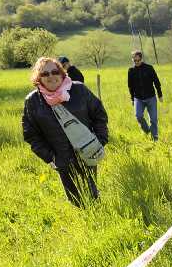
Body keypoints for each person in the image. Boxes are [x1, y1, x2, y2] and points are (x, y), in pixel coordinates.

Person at [21, 56, 109, 206]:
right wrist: (51, 157)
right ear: (38, 78)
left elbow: (99, 114)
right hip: (62, 159)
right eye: (45, 73)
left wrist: (99, 140)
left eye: (54, 71)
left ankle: (98, 216)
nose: (51, 76)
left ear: (61, 72)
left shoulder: (79, 90)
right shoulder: (33, 101)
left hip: (88, 152)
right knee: (75, 200)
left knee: (92, 195)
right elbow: (31, 134)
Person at [127, 49, 162, 140]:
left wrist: (160, 95)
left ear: (141, 59)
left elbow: (156, 82)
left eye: (138, 60)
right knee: (138, 116)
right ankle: (147, 130)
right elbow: (130, 86)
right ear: (132, 60)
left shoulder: (149, 68)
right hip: (138, 98)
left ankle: (155, 138)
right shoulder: (131, 71)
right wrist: (132, 99)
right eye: (135, 61)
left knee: (153, 119)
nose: (136, 62)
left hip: (151, 98)